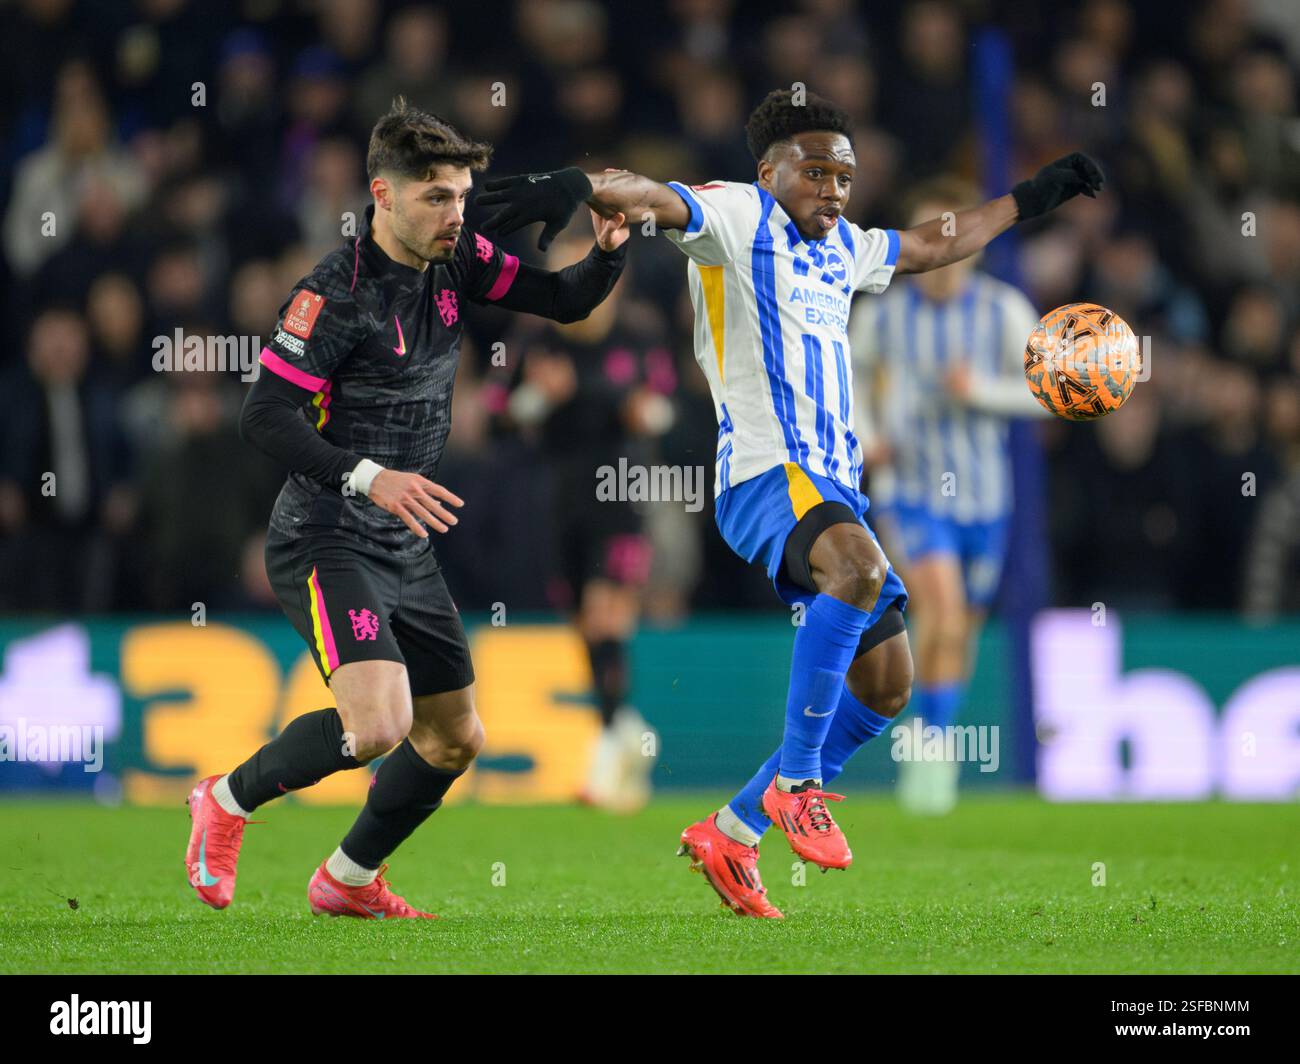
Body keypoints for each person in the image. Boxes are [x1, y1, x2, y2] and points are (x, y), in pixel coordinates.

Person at [479, 88, 1102, 918]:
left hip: (832, 485)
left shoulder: (847, 245)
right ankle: (798, 783)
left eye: (844, 175)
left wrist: (1032, 197)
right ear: (769, 172)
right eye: (815, 172)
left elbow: (932, 241)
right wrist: (572, 186)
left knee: (886, 687)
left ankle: (733, 830)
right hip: (767, 475)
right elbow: (650, 193)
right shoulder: (736, 217)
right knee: (858, 565)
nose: (834, 189)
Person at [182, 98, 628, 919]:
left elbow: (563, 302)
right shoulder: (332, 295)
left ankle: (347, 880)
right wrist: (368, 476)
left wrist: (607, 255)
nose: (456, 214)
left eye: (461, 196)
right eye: (436, 197)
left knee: (456, 737)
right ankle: (225, 799)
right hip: (326, 532)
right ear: (382, 197)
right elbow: (263, 416)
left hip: (404, 541)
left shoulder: (457, 260)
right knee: (380, 725)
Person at [848, 176, 1046, 815]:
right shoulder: (884, 312)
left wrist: (979, 392)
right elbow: (848, 374)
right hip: (911, 488)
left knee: (959, 629)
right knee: (944, 611)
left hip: (986, 498)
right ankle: (931, 747)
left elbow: (1047, 394)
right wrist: (869, 434)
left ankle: (932, 732)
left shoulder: (1003, 309)